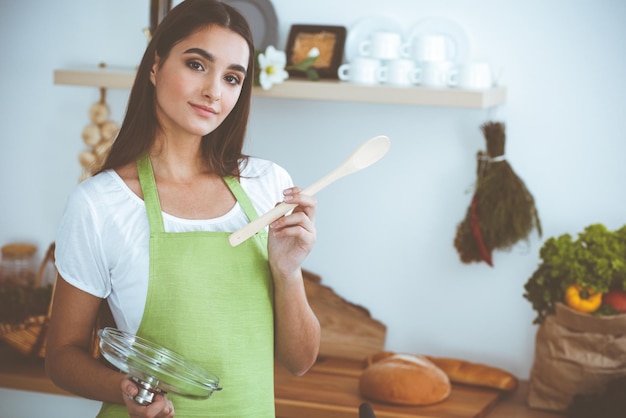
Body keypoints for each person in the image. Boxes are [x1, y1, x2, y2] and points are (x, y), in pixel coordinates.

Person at [45, 1, 321, 417]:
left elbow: (299, 362)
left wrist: (288, 269)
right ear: (155, 66)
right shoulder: (100, 204)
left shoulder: (268, 187)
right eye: (197, 65)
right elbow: (62, 356)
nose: (214, 91)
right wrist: (122, 388)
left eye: (232, 78)